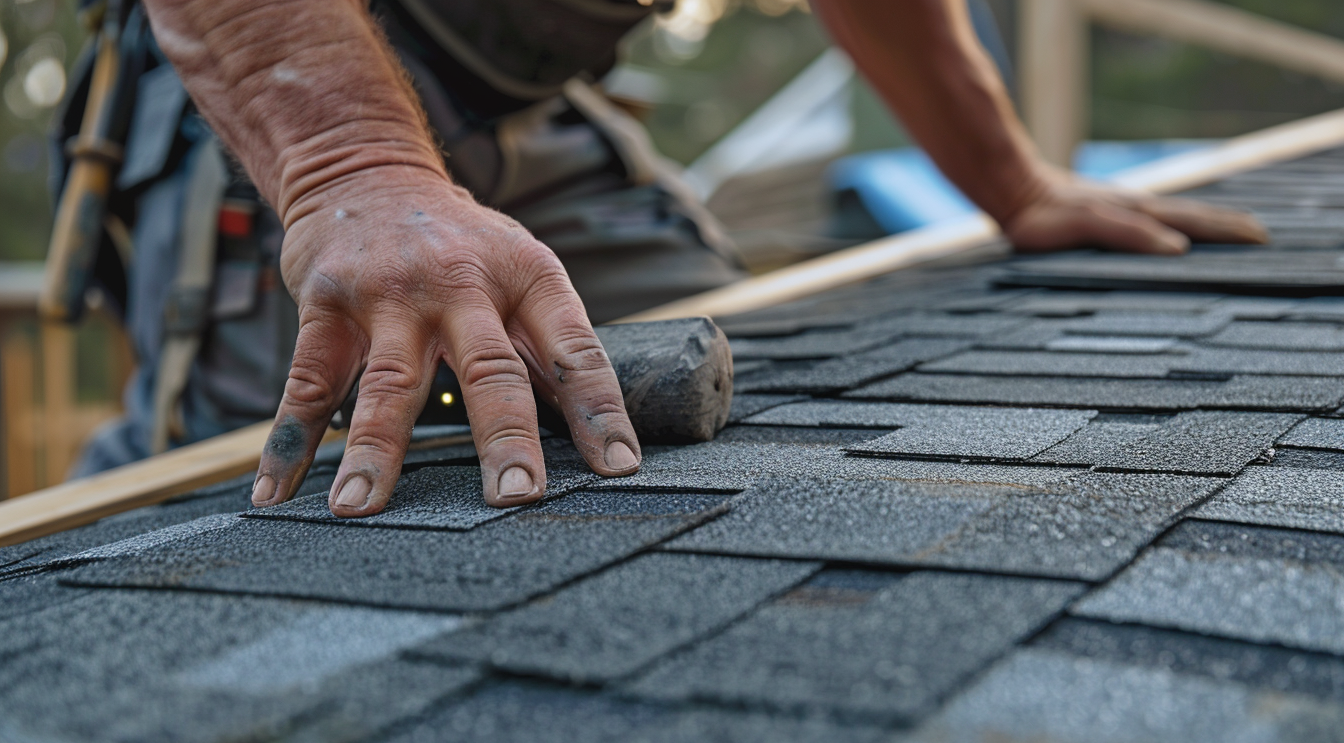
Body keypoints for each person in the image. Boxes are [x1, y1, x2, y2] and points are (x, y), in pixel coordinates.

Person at [69, 0, 1268, 516]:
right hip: (287, 80)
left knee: (692, 381)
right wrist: (353, 172)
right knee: (239, 495)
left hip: (530, 98)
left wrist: (1012, 185)